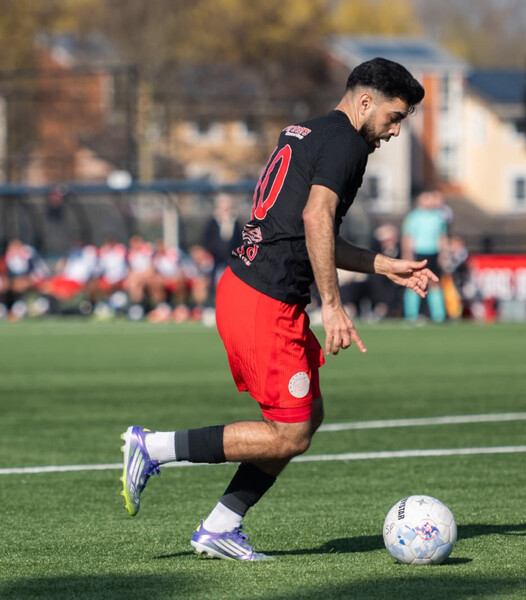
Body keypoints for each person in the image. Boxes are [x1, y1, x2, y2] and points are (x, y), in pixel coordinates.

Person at [120, 57, 430, 560]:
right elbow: (316, 218)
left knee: (306, 418)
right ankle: (153, 448)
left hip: (251, 290)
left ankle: (221, 526)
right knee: (290, 432)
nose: (395, 131)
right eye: (394, 117)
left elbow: (315, 233)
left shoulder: (308, 131)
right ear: (365, 102)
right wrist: (333, 305)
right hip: (264, 300)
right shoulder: (349, 144)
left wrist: (384, 265)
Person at [401, 190, 448, 323]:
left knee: (435, 282)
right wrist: (407, 255)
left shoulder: (439, 216)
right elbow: (407, 237)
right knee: (414, 281)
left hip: (434, 253)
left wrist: (443, 254)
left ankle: (439, 316)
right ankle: (411, 315)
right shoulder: (414, 217)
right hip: (418, 253)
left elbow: (442, 237)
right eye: (426, 198)